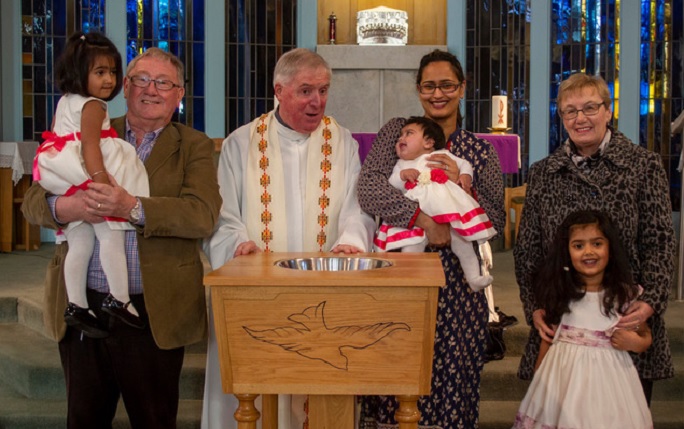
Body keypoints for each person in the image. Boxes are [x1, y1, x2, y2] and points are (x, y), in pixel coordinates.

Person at [22, 46, 221, 429]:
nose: (151, 89)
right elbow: (34, 199)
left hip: (151, 311)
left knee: (154, 419)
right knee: (83, 419)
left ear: (179, 94)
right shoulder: (90, 124)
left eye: (164, 83)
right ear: (124, 87)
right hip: (83, 306)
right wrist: (68, 208)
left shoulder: (193, 145)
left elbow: (202, 214)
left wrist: (131, 205)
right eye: (141, 80)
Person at [202, 47, 375, 429]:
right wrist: (236, 245)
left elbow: (356, 208)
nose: (318, 102)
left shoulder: (342, 142)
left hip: (325, 294)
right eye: (306, 91)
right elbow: (223, 215)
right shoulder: (240, 144)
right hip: (259, 293)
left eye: (324, 90)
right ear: (278, 91)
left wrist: (351, 241)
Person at [358, 49, 505, 428]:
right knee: (396, 371)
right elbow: (370, 189)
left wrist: (459, 182)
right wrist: (422, 220)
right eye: (428, 86)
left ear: (462, 88)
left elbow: (497, 219)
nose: (437, 94)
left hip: (457, 286)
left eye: (446, 85)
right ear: (418, 89)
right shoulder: (399, 131)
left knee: (452, 380)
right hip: (400, 277)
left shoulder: (479, 151)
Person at [514, 72, 676, 405]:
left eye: (590, 107)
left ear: (607, 111)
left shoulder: (643, 166)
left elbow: (659, 242)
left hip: (624, 317)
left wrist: (650, 303)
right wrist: (534, 308)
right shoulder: (544, 172)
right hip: (563, 318)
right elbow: (528, 250)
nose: (580, 118)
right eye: (570, 111)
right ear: (561, 117)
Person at [33, 31, 149, 336]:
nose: (109, 79)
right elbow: (90, 147)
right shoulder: (93, 105)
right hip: (85, 170)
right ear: (78, 72)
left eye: (112, 71)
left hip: (64, 172)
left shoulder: (66, 100)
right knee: (111, 235)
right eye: (100, 72)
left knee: (80, 241)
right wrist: (101, 182)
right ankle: (120, 298)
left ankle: (76, 305)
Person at [513, 210, 653, 428]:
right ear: (567, 252)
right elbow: (547, 341)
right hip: (563, 387)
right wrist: (539, 384)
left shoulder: (623, 295)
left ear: (610, 248)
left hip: (610, 389)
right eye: (578, 246)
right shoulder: (560, 293)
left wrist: (634, 342)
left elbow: (645, 335)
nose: (588, 252)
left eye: (597, 244)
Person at [374, 116, 496, 291]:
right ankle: (410, 281)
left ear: (429, 142)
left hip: (446, 211)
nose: (401, 138)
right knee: (411, 246)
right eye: (400, 136)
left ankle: (474, 277)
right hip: (418, 215)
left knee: (463, 242)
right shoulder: (401, 164)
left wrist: (465, 176)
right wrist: (402, 176)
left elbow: (465, 164)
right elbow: (392, 185)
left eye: (409, 134)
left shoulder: (442, 155)